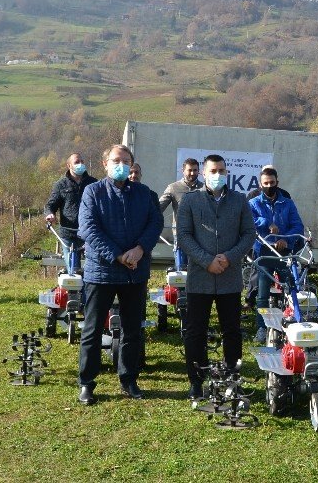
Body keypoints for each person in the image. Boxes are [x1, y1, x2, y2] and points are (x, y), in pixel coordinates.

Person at [76, 144, 163, 405]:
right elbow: (88, 229)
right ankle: (87, 383)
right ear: (105, 164)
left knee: (132, 330)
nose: (121, 165)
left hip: (134, 274)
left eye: (126, 161)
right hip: (101, 271)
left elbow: (155, 222)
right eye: (116, 160)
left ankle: (129, 379)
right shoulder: (93, 191)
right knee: (92, 330)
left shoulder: (144, 193)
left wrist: (139, 250)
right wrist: (118, 255)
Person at [177, 154, 257, 400]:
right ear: (203, 173)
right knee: (195, 331)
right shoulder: (190, 201)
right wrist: (207, 260)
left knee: (232, 331)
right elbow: (184, 236)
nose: (217, 175)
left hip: (229, 277)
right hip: (200, 277)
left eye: (221, 171)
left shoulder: (239, 200)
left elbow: (249, 234)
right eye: (213, 171)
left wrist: (229, 257)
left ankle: (233, 378)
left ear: (227, 172)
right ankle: (196, 381)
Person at [248, 167, 305, 342]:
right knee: (262, 293)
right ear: (260, 184)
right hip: (264, 252)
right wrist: (267, 222)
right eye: (265, 183)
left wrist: (286, 240)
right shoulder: (253, 203)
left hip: (284, 252)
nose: (269, 186)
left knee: (291, 288)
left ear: (277, 183)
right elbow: (248, 223)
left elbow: (297, 226)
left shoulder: (287, 203)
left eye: (272, 183)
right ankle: (261, 328)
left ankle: (292, 322)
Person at [44, 153, 98, 257]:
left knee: (90, 268)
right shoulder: (60, 185)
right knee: (72, 268)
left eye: (82, 162)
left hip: (89, 233)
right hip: (68, 235)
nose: (81, 164)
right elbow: (51, 205)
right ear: (69, 166)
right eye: (77, 162)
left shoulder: (93, 183)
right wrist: (50, 214)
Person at [159, 158, 203, 270]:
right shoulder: (173, 188)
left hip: (201, 236)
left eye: (195, 170)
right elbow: (158, 208)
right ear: (183, 171)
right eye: (189, 170)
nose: (192, 173)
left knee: (199, 270)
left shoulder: (205, 188)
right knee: (181, 270)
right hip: (181, 236)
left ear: (199, 171)